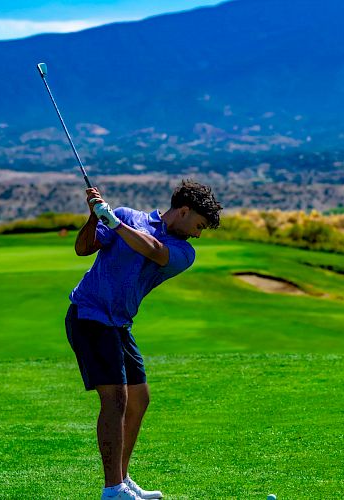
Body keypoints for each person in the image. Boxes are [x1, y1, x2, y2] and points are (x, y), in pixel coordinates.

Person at [65, 179, 222, 499]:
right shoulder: (127, 216)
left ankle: (121, 478)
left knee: (139, 398)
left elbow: (153, 250)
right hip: (89, 314)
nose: (198, 233)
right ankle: (113, 490)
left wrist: (115, 223)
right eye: (199, 224)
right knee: (116, 399)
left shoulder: (183, 251)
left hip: (119, 323)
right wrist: (95, 216)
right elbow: (83, 248)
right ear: (183, 211)